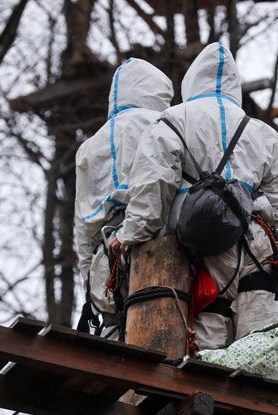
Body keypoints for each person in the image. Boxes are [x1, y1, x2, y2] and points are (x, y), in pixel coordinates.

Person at [111, 42, 278, 350]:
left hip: (201, 246)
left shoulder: (172, 121)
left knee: (206, 342)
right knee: (263, 341)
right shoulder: (264, 134)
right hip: (258, 245)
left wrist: (130, 235)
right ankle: (259, 392)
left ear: (191, 82)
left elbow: (153, 189)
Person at [74, 58, 173, 331]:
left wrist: (89, 283)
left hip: (107, 264)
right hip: (159, 253)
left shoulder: (89, 147)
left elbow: (83, 229)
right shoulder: (164, 129)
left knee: (115, 340)